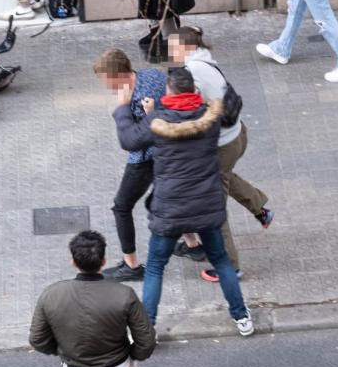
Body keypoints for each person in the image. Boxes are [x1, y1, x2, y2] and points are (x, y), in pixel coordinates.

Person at [113, 67, 254, 336]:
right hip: (206, 206)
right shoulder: (211, 117)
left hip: (170, 209)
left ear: (169, 91)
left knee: (155, 267)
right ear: (194, 91)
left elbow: (129, 140)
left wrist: (123, 108)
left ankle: (147, 327)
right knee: (222, 261)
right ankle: (241, 317)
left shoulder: (158, 120)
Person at [30, 230, 171, 367]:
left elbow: (37, 340)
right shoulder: (124, 294)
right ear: (103, 261)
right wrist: (133, 356)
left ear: (73, 262)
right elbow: (146, 339)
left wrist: (64, 352)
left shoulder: (51, 294)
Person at [167, 27, 275, 283]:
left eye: (173, 47)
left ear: (186, 47)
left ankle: (230, 266)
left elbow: (186, 112)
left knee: (212, 208)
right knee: (222, 176)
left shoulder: (193, 73)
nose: (170, 52)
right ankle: (260, 208)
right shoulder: (207, 63)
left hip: (220, 146)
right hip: (237, 136)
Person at [93, 49, 166, 282]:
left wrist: (123, 107)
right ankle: (193, 244)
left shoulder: (134, 99)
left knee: (121, 207)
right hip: (168, 153)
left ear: (117, 75)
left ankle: (131, 265)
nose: (105, 86)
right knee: (162, 202)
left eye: (105, 80)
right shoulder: (151, 75)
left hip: (145, 159)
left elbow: (131, 140)